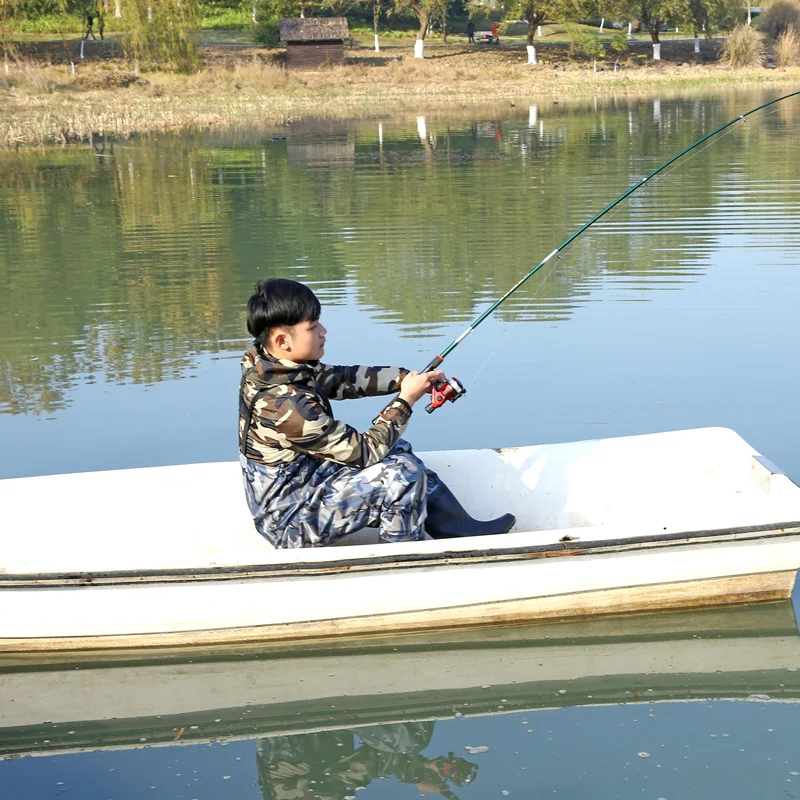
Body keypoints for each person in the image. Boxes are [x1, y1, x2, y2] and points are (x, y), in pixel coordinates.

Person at [239, 278, 516, 548]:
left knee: (397, 449)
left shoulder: (271, 364)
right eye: (313, 327)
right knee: (400, 477)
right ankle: (402, 560)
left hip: (306, 479)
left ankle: (459, 530)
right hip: (289, 519)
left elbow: (341, 379)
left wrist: (407, 378)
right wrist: (407, 399)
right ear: (282, 340)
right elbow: (365, 452)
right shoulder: (285, 406)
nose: (323, 331)